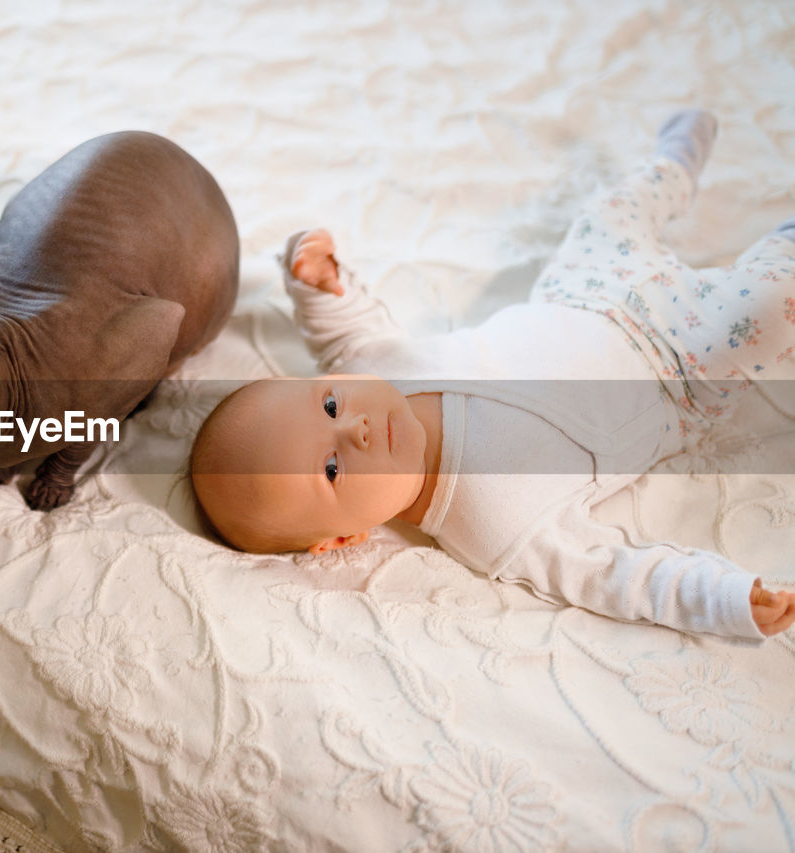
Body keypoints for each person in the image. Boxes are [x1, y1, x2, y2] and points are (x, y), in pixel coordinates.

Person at [191, 110, 795, 642]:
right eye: (331, 469)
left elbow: (346, 331)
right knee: (765, 310)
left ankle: (675, 164)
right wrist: (725, 597)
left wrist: (315, 282)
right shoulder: (493, 524)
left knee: (608, 217)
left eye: (328, 406)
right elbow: (615, 574)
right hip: (677, 372)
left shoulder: (369, 370)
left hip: (582, 292)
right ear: (343, 540)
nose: (358, 431)